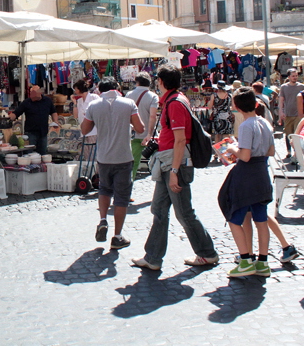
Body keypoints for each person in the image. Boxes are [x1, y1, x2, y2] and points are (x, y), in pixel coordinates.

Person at [132, 65, 219, 271]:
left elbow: (180, 140)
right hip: (168, 163)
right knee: (159, 210)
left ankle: (207, 253)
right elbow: (175, 136)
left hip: (174, 165)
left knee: (184, 213)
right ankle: (152, 257)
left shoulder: (175, 104)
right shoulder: (176, 100)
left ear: (161, 82)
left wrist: (173, 172)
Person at [81, 77, 144, 250]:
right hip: (123, 156)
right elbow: (140, 129)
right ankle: (117, 236)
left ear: (100, 90)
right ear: (117, 88)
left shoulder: (93, 106)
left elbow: (84, 130)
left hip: (104, 157)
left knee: (104, 189)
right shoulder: (128, 103)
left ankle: (102, 220)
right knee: (121, 198)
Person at [221, 87, 274, 277]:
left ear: (236, 106)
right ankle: (263, 262)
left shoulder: (245, 125)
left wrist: (233, 148)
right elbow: (271, 152)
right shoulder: (265, 123)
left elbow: (244, 155)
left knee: (234, 216)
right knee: (261, 219)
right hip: (262, 172)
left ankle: (245, 260)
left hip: (247, 176)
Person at [126, 72, 159, 195]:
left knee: (132, 164)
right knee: (158, 161)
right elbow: (153, 116)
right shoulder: (153, 96)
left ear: (137, 82)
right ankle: (161, 190)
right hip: (149, 135)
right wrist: (149, 133)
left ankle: (127, 192)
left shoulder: (129, 95)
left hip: (133, 134)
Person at [9, 85, 59, 155]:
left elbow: (53, 112)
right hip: (31, 133)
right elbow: (16, 112)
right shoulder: (26, 102)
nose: (32, 97)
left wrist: (55, 121)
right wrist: (9, 118)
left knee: (43, 153)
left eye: (34, 95)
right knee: (29, 153)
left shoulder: (47, 101)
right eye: (31, 95)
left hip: (43, 132)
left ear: (40, 93)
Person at [278, 68, 304, 161]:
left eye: (296, 75)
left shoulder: (302, 87)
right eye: (293, 76)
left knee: (297, 134)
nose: (295, 77)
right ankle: (289, 152)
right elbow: (281, 101)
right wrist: (281, 112)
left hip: (299, 114)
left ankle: (296, 152)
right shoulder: (284, 87)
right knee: (288, 133)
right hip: (288, 114)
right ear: (289, 77)